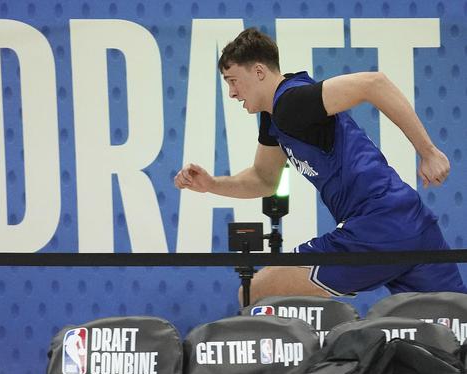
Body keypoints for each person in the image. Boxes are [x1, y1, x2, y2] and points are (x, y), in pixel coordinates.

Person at [174, 28, 466, 306]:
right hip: (411, 221)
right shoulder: (274, 117)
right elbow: (263, 179)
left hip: (376, 226)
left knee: (252, 293)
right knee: (454, 322)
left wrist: (428, 152)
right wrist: (212, 185)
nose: (231, 93)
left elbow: (373, 83)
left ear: (259, 71)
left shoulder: (291, 103)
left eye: (233, 80)